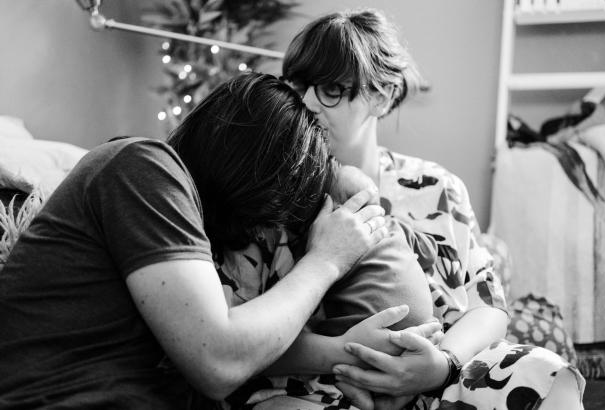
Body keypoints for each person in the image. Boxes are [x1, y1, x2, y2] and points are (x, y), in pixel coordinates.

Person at [0, 73, 392, 409]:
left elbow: (244, 341)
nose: (263, 232)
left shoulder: (189, 228)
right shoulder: (143, 167)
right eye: (271, 211)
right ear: (251, 170)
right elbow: (220, 359)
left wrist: (342, 353)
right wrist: (325, 261)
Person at [280, 8, 585, 410]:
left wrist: (441, 365)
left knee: (545, 372)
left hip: (447, 374)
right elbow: (251, 331)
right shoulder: (277, 194)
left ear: (381, 96)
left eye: (331, 89)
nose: (306, 103)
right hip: (324, 384)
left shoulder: (437, 186)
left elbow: (489, 307)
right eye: (297, 86)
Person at [215, 161, 437, 407]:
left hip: (367, 338)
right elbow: (430, 252)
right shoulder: (394, 227)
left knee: (324, 330)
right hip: (424, 335)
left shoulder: (324, 247)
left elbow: (303, 292)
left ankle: (364, 392)